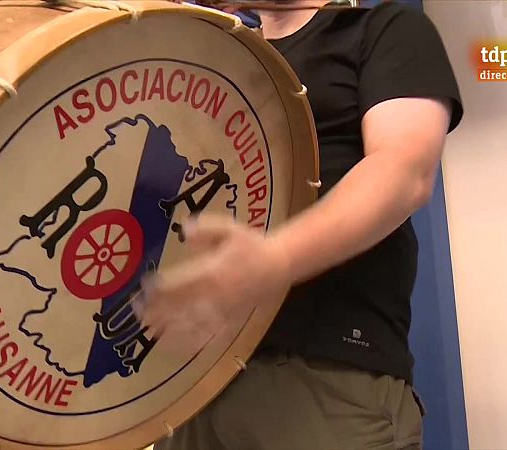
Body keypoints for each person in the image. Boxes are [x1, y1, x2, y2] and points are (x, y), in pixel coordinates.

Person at [144, 1, 463, 449]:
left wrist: (276, 259)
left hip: (326, 372)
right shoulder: (217, 55)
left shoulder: (383, 28)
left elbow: (403, 170)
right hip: (197, 382)